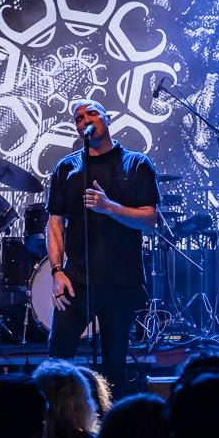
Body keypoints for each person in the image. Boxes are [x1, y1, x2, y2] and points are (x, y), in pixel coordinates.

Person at [45, 98, 162, 396]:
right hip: (77, 280)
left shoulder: (136, 164)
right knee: (58, 355)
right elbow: (55, 222)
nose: (85, 119)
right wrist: (57, 271)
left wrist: (110, 208)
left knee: (114, 364)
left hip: (121, 280)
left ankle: (111, 419)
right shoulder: (66, 168)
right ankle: (60, 416)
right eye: (78, 117)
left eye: (92, 113)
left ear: (107, 118)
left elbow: (150, 219)